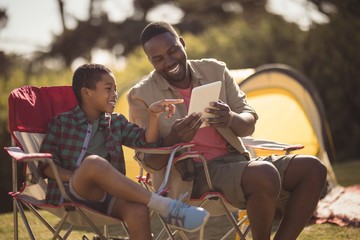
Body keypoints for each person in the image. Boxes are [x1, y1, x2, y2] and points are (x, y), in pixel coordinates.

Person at [127, 22, 327, 240]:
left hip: (237, 163)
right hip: (192, 177)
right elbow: (149, 162)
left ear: (182, 44)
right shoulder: (141, 95)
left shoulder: (215, 70)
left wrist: (230, 118)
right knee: (264, 174)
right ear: (150, 61)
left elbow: (248, 121)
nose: (169, 61)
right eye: (158, 59)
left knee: (313, 169)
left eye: (173, 50)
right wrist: (173, 139)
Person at [39, 63, 209, 240]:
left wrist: (153, 116)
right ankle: (165, 206)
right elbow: (44, 166)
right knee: (93, 164)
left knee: (138, 211)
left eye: (115, 89)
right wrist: (79, 175)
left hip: (108, 195)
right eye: (108, 89)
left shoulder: (116, 122)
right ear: (86, 92)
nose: (114, 94)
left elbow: (147, 142)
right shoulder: (62, 123)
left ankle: (164, 206)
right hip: (72, 193)